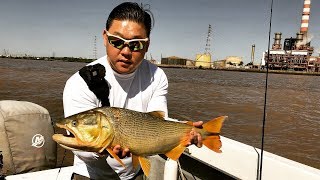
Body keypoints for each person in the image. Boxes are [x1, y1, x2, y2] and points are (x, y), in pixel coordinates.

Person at [63, 2, 202, 179]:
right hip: (91, 174)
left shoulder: (157, 76)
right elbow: (81, 151)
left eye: (136, 44)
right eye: (117, 41)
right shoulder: (81, 82)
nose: (126, 51)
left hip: (135, 173)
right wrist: (104, 150)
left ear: (147, 45)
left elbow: (158, 121)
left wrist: (186, 130)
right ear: (105, 38)